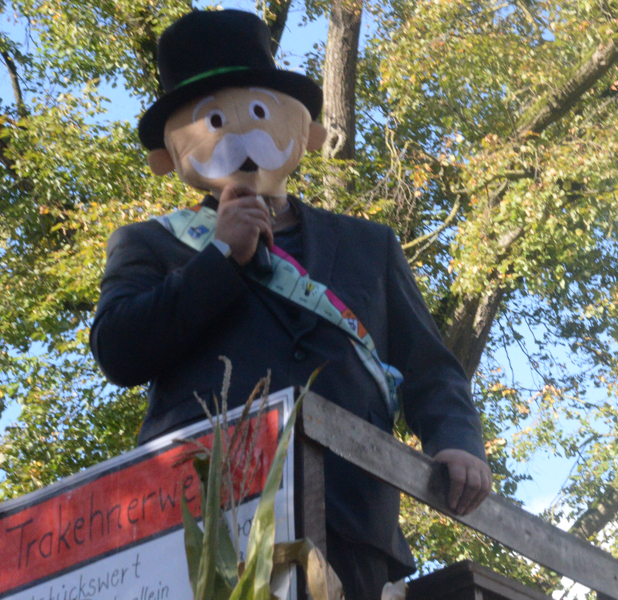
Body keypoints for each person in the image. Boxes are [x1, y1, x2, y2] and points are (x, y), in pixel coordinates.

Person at [89, 9, 491, 599]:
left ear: (304, 129)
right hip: (206, 524)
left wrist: (456, 441)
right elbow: (119, 350)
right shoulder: (150, 243)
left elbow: (430, 369)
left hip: (352, 524)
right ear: (170, 153)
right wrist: (221, 256)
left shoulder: (369, 245)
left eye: (258, 111)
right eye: (214, 120)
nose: (242, 136)